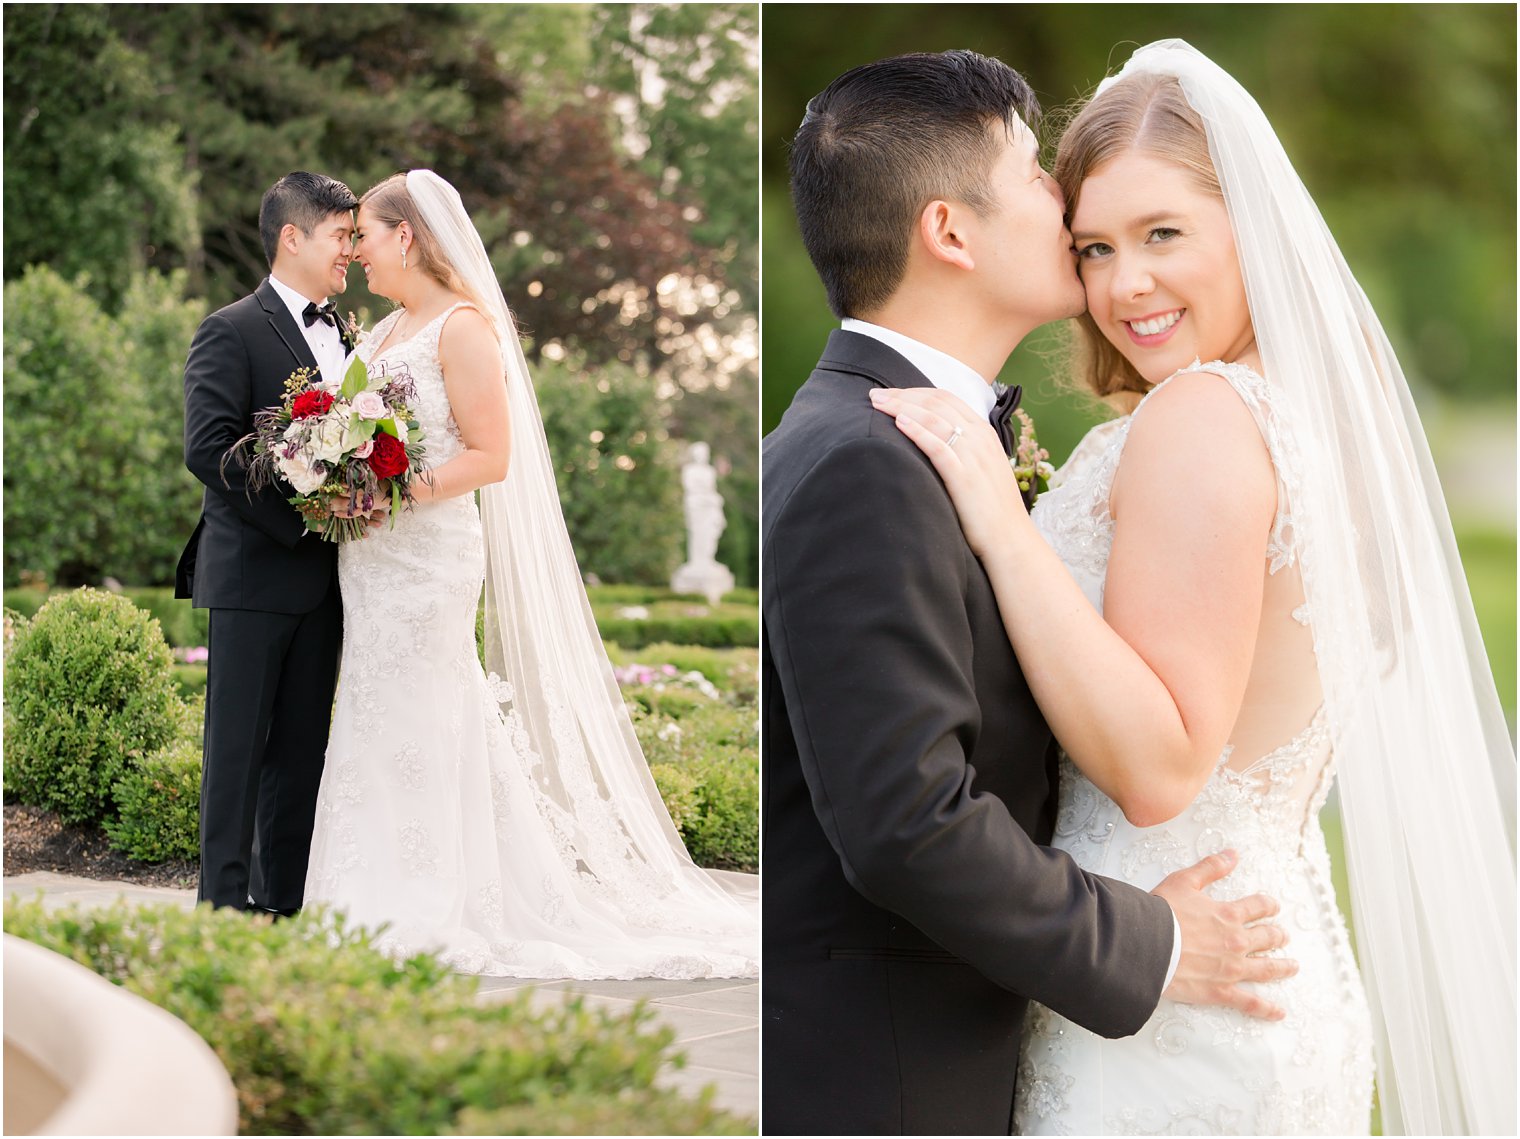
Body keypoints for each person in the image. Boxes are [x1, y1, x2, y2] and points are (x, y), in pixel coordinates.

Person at [871, 40, 1516, 1135]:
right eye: (1094, 245)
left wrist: (995, 515)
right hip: (1269, 967)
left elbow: (1159, 764)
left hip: (1171, 1000)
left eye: (1162, 233)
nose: (1126, 284)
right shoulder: (1309, 418)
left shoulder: (1203, 415)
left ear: (1246, 230)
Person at [761, 51, 1298, 1136]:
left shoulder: (918, 437)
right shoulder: (866, 455)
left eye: (1155, 233)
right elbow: (907, 819)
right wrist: (1150, 941)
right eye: (1044, 186)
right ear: (951, 232)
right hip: (893, 1074)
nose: (1068, 216)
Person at [301, 170, 757, 980]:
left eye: (365, 236)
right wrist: (334, 476)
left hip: (428, 555)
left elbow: (491, 455)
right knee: (374, 699)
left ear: (405, 235)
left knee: (426, 702)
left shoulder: (464, 327)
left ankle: (432, 896)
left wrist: (391, 490)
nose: (359, 253)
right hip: (370, 559)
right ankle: (363, 890)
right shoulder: (377, 334)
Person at [178, 172, 360, 916]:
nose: (350, 252)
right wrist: (305, 510)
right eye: (341, 236)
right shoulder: (230, 328)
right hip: (254, 573)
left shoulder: (346, 333)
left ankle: (281, 902)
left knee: (299, 753)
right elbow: (208, 449)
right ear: (294, 236)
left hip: (327, 581)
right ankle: (220, 907)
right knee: (236, 753)